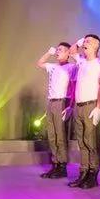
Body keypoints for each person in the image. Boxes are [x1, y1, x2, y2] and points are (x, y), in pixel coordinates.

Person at [66, 35, 100, 189]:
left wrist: (99, 107)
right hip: (79, 106)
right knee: (81, 142)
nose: (85, 43)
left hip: (92, 105)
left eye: (89, 41)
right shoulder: (81, 61)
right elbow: (71, 51)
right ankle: (83, 172)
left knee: (91, 141)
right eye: (85, 41)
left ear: (97, 45)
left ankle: (93, 173)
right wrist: (80, 41)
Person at [36, 42, 76, 179]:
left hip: (62, 102)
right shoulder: (52, 66)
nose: (58, 52)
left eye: (61, 50)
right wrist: (49, 52)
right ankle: (55, 164)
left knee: (60, 135)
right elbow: (40, 63)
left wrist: (71, 106)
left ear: (68, 53)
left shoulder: (71, 67)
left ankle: (62, 166)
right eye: (57, 50)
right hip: (51, 102)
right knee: (52, 135)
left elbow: (74, 88)